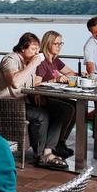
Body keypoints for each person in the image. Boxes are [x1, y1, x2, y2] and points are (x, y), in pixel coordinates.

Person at [0, 33, 73, 170]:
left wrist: (36, 93)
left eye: (38, 49)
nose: (37, 53)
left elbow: (31, 85)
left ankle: (48, 150)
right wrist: (34, 63)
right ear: (23, 48)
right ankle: (40, 156)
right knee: (42, 115)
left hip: (22, 101)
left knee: (62, 109)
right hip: (6, 105)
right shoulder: (10, 59)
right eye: (33, 49)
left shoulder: (27, 62)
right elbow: (16, 83)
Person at [36, 30, 77, 159]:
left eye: (61, 43)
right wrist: (55, 79)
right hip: (43, 98)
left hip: (55, 96)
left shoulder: (55, 60)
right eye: (56, 44)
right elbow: (36, 84)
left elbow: (72, 73)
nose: (59, 46)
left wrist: (63, 75)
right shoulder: (41, 60)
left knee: (75, 106)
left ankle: (61, 141)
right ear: (48, 43)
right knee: (67, 109)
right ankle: (55, 145)